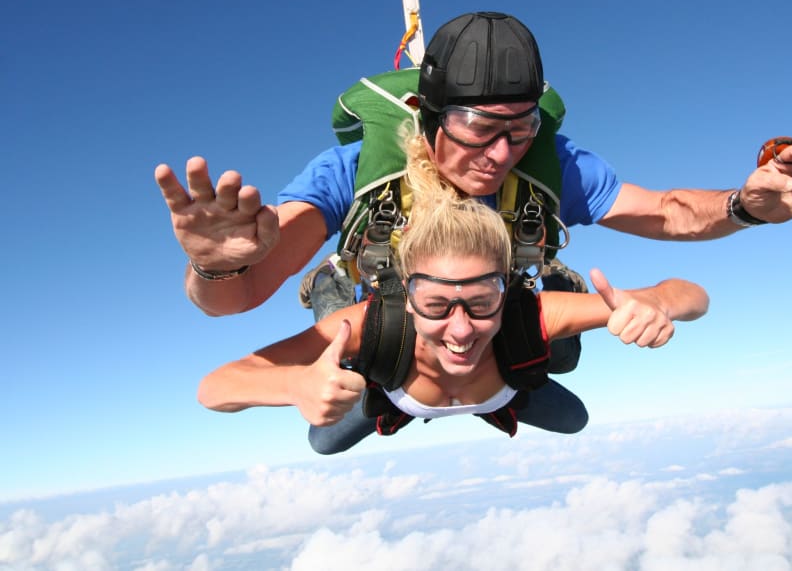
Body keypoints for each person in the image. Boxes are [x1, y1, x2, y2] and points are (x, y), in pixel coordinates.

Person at [155, 11, 792, 358]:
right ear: (428, 117)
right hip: (397, 309)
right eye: (478, 127)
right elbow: (239, 296)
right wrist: (214, 266)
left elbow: (668, 213)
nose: (501, 153)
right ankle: (336, 291)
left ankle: (516, 358)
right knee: (368, 364)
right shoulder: (351, 173)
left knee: (549, 355)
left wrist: (745, 207)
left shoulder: (548, 163)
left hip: (486, 309)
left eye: (520, 129)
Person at [197, 148, 709, 453]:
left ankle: (550, 282)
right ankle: (331, 278)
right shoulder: (373, 321)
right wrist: (295, 384)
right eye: (437, 304)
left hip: (495, 386)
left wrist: (658, 307)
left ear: (505, 290)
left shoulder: (527, 314)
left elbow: (691, 295)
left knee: (572, 408)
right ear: (406, 296)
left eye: (482, 301)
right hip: (391, 383)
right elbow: (214, 387)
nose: (460, 329)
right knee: (323, 435)